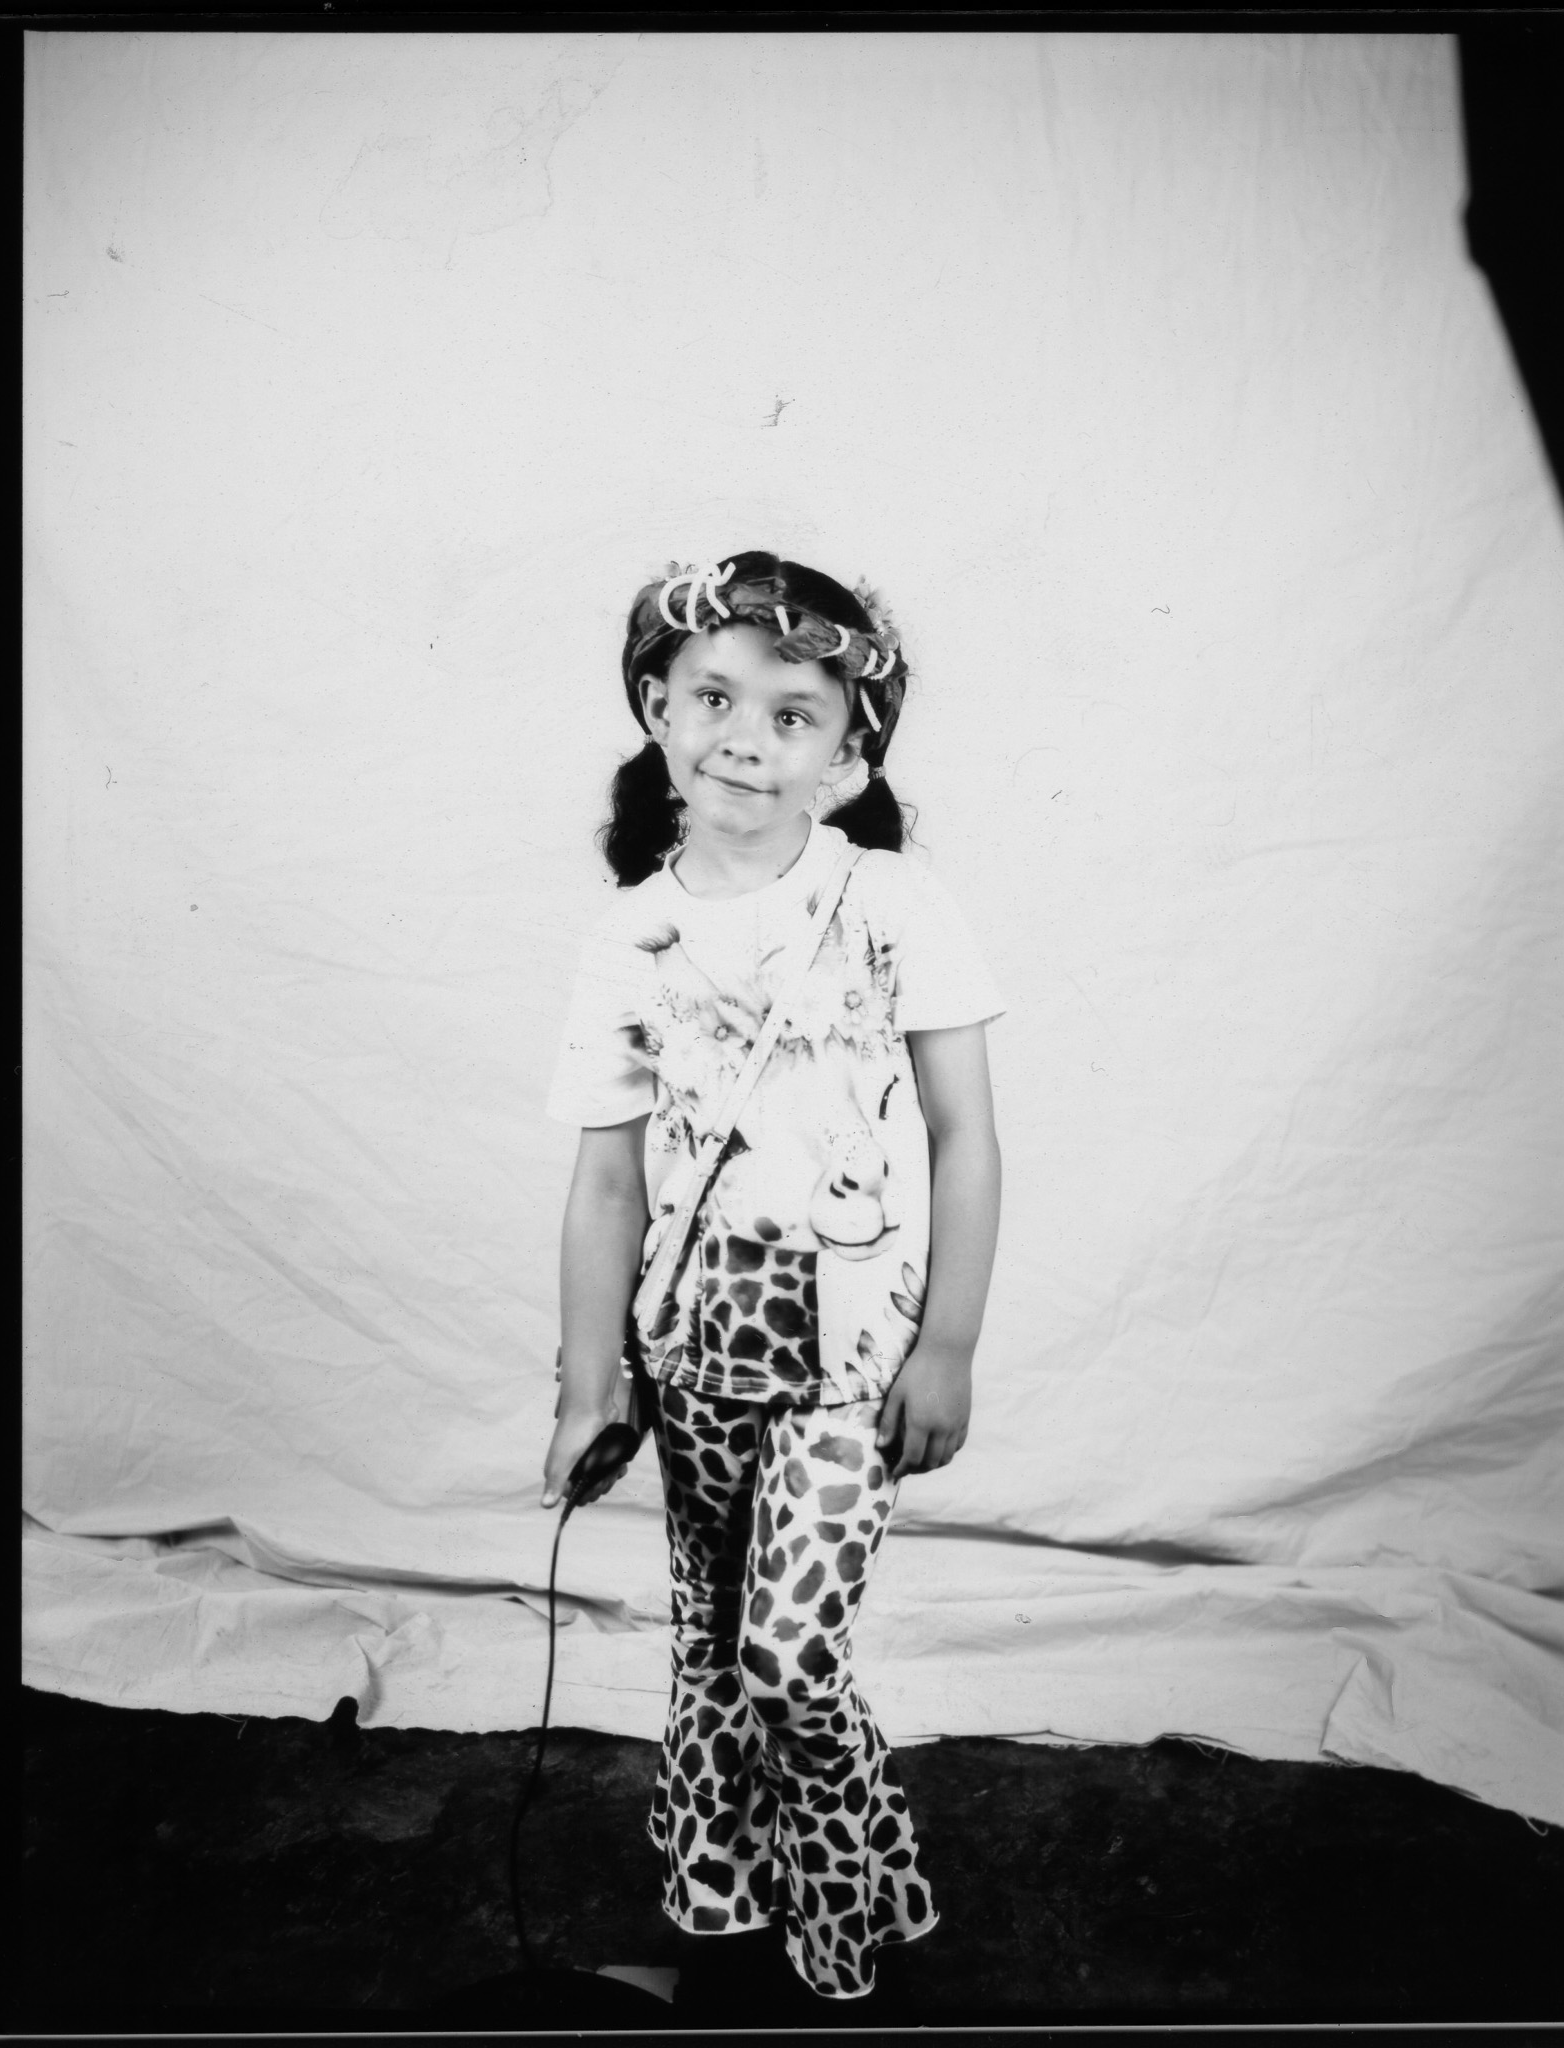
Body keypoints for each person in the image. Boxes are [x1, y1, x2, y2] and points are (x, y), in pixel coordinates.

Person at [542, 550, 1003, 2010]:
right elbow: (605, 1178)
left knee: (790, 1658)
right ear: (654, 708)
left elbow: (964, 1138)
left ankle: (865, 1917)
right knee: (709, 1650)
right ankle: (722, 1934)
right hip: (693, 1347)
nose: (747, 735)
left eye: (793, 713)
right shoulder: (624, 936)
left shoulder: (890, 903)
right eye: (714, 697)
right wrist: (585, 1383)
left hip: (849, 1350)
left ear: (848, 754)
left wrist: (948, 1350)